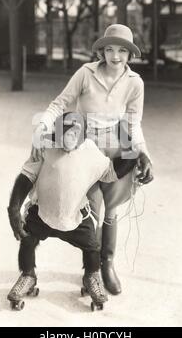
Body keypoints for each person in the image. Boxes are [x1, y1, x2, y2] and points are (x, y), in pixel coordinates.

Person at [33, 24, 153, 295]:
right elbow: (59, 104)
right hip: (85, 144)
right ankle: (92, 270)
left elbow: (133, 124)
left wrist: (144, 153)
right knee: (91, 208)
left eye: (122, 50)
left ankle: (107, 263)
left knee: (111, 209)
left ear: (130, 54)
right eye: (109, 49)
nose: (115, 56)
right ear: (101, 51)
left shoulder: (135, 82)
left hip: (119, 144)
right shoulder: (85, 73)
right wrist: (41, 129)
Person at [7, 112, 141, 308]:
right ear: (57, 132)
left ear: (84, 135)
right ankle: (28, 274)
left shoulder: (90, 151)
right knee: (27, 238)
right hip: (42, 212)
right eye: (67, 130)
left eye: (76, 131)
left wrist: (132, 150)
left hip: (76, 216)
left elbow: (112, 172)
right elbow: (26, 176)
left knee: (92, 247)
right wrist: (14, 208)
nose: (71, 136)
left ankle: (91, 276)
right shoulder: (46, 147)